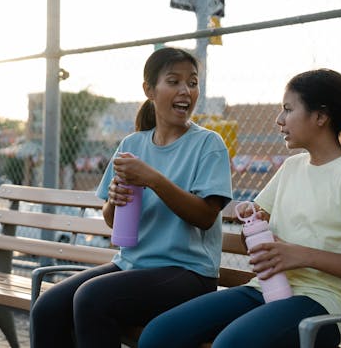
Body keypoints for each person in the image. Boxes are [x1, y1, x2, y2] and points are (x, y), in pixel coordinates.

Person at [138, 69, 341, 348]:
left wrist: (300, 255)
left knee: (232, 345)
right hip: (266, 288)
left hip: (322, 303)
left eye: (288, 110)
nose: (279, 120)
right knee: (159, 334)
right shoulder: (292, 167)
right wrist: (255, 228)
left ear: (320, 116)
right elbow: (253, 235)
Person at [30, 47, 232, 348]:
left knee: (93, 299)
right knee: (47, 309)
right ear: (149, 89)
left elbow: (205, 217)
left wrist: (152, 179)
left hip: (188, 273)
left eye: (192, 82)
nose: (186, 91)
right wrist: (114, 199)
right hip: (133, 264)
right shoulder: (132, 144)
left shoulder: (208, 144)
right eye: (174, 81)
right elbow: (114, 223)